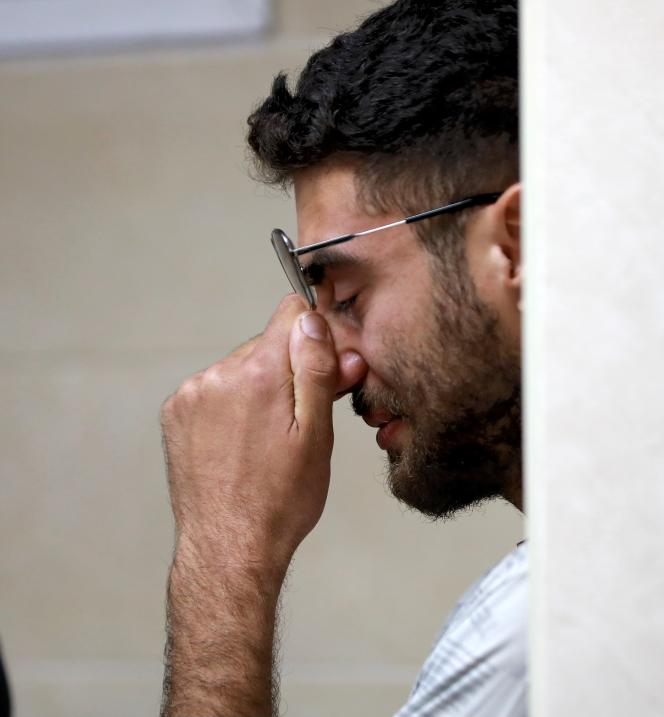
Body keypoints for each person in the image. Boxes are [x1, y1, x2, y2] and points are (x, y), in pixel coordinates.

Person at [157, 1, 524, 715]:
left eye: (348, 295)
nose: (332, 367)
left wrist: (226, 549)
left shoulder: (531, 639)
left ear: (516, 245)